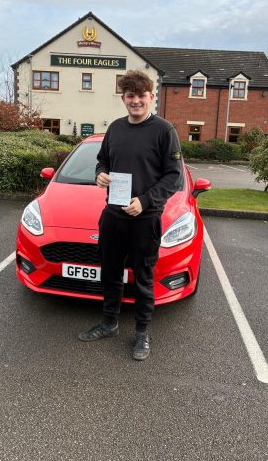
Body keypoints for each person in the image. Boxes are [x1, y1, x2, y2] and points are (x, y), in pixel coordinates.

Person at [78, 70, 183, 360]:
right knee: (110, 274)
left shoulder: (164, 131)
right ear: (123, 98)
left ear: (151, 97)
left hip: (145, 219)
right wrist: (100, 174)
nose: (135, 101)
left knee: (143, 278)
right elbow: (103, 160)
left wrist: (147, 201)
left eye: (141, 96)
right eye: (130, 96)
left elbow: (173, 176)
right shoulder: (115, 128)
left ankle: (141, 334)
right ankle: (109, 323)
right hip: (112, 215)